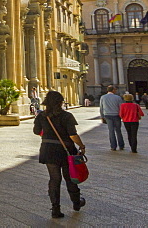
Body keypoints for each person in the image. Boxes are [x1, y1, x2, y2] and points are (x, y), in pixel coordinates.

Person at [34, 90, 87, 218]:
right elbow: (72, 135)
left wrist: (47, 133)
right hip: (66, 151)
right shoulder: (67, 116)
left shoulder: (41, 116)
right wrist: (81, 145)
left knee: (54, 179)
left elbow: (36, 131)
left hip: (48, 149)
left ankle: (55, 209)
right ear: (60, 102)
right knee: (70, 177)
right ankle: (76, 202)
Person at [99, 85, 125, 150]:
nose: (116, 90)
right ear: (113, 90)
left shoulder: (103, 97)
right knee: (118, 130)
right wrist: (122, 116)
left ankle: (113, 146)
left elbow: (101, 108)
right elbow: (121, 107)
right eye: (115, 89)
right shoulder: (118, 97)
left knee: (111, 131)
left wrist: (102, 117)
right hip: (116, 115)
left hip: (107, 115)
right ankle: (121, 145)